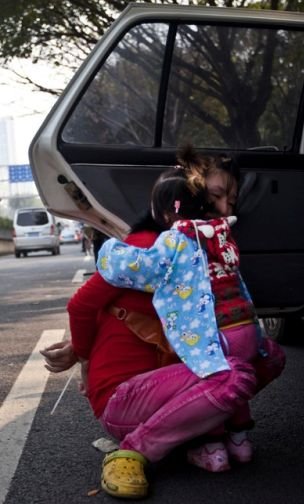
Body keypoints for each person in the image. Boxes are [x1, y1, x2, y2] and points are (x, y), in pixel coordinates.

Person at [40, 147, 285, 499]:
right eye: (216, 197)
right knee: (231, 374)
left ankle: (201, 434)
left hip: (167, 382)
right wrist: (81, 354)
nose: (226, 209)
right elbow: (81, 305)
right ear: (187, 200)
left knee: (269, 355)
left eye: (232, 199)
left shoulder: (204, 248)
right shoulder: (148, 249)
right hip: (123, 397)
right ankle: (135, 450)